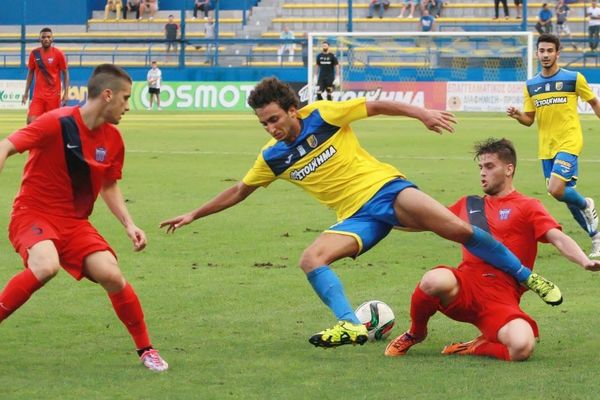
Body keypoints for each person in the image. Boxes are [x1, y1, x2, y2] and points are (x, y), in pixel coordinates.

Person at [160, 77, 561, 349]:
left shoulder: (324, 114)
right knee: (310, 259)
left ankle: (530, 278)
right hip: (356, 217)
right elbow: (239, 190)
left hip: (386, 190)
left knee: (458, 229)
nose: (270, 128)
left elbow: (376, 105)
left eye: (275, 119)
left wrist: (420, 113)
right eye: (263, 123)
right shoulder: (273, 156)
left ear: (292, 108)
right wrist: (194, 214)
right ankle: (351, 322)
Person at [0, 64, 168, 372]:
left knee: (112, 275)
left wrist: (129, 224)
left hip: (74, 223)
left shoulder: (113, 140)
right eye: (125, 98)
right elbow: (7, 146)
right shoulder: (56, 122)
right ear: (107, 95)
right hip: (33, 213)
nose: (128, 107)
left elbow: (108, 184)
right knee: (46, 265)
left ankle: (146, 350)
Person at [384, 138, 600, 361]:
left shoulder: (528, 206)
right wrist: (381, 219)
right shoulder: (469, 204)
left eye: (489, 167)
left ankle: (473, 347)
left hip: (501, 299)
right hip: (464, 287)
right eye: (480, 167)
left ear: (509, 169)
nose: (482, 173)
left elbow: (559, 239)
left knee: (522, 347)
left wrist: (584, 260)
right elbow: (423, 222)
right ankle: (415, 333)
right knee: (433, 279)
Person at [507, 34, 600, 258]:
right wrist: (519, 116)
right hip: (546, 147)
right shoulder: (531, 85)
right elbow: (529, 120)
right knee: (562, 195)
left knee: (555, 189)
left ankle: (588, 204)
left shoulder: (574, 78)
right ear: (537, 53)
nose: (546, 55)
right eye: (542, 51)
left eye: (550, 51)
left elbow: (594, 103)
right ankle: (596, 237)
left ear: (558, 53)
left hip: (569, 140)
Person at [21, 27, 69, 125]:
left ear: (52, 39)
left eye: (48, 37)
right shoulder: (34, 54)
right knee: (30, 122)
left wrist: (66, 93)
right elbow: (30, 73)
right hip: (38, 96)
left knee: (53, 125)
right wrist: (26, 92)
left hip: (54, 97)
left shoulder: (59, 54)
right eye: (43, 37)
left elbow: (65, 73)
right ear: (40, 39)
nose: (46, 39)